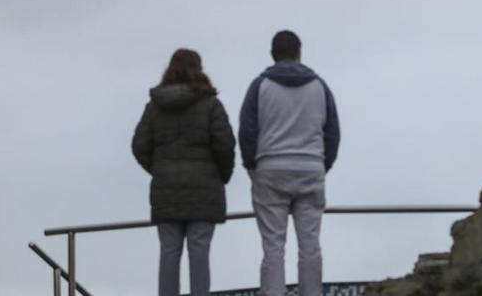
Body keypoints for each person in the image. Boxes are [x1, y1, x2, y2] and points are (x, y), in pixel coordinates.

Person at [239, 30, 340, 296]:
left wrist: (253, 167)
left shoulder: (259, 86)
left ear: (273, 54)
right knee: (310, 244)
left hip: (270, 169)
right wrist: (322, 165)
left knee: (273, 246)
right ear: (299, 52)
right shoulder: (320, 86)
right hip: (311, 168)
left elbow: (247, 132)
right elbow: (333, 132)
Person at [132, 48, 236, 296]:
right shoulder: (211, 104)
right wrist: (220, 175)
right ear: (198, 70)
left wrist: (159, 169)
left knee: (169, 251)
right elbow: (225, 144)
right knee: (199, 251)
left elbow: (139, 145)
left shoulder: (154, 107)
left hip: (166, 190)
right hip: (204, 191)